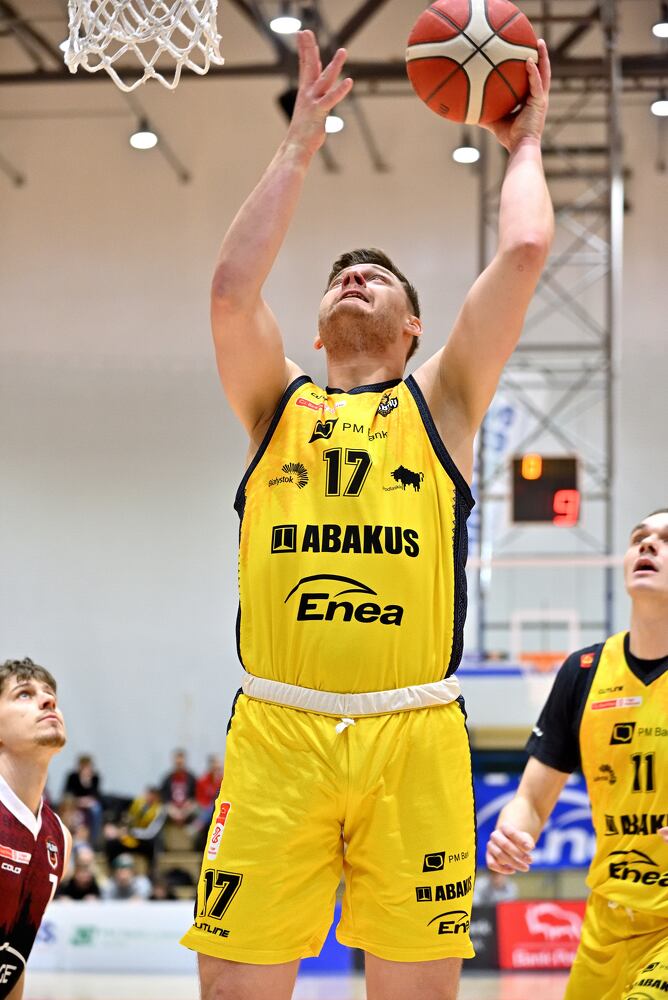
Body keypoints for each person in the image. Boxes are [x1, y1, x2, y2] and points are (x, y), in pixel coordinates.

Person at [180, 30, 553, 1000]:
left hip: (412, 735)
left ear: (415, 326)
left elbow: (523, 251)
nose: (354, 276)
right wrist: (297, 144)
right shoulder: (276, 403)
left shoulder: (445, 403)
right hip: (277, 731)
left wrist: (524, 145)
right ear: (312, 332)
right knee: (230, 989)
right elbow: (230, 293)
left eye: (377, 276)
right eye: (339, 276)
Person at [486, 508, 668, 1000]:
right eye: (639, 537)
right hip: (606, 923)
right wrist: (513, 832)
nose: (648, 545)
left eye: (666, 539)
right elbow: (532, 799)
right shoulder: (584, 671)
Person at [0, 658, 71, 1000]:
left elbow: (14, 956)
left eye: (49, 693)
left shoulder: (59, 838)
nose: (48, 700)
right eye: (24, 694)